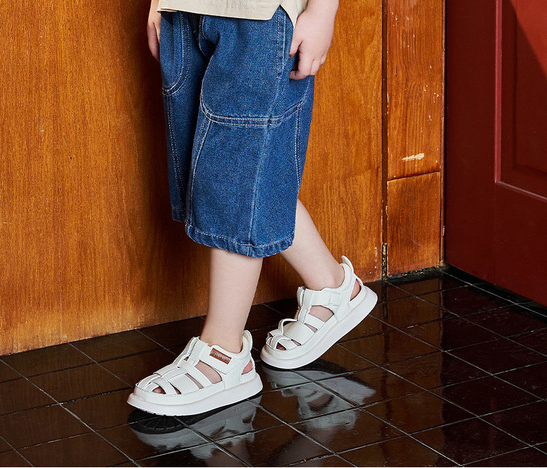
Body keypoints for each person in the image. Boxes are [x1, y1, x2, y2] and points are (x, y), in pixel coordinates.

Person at [127, 0, 377, 416]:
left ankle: (224, 355)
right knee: (224, 171)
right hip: (183, 9)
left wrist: (323, 12)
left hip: (262, 16)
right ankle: (332, 287)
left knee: (236, 176)